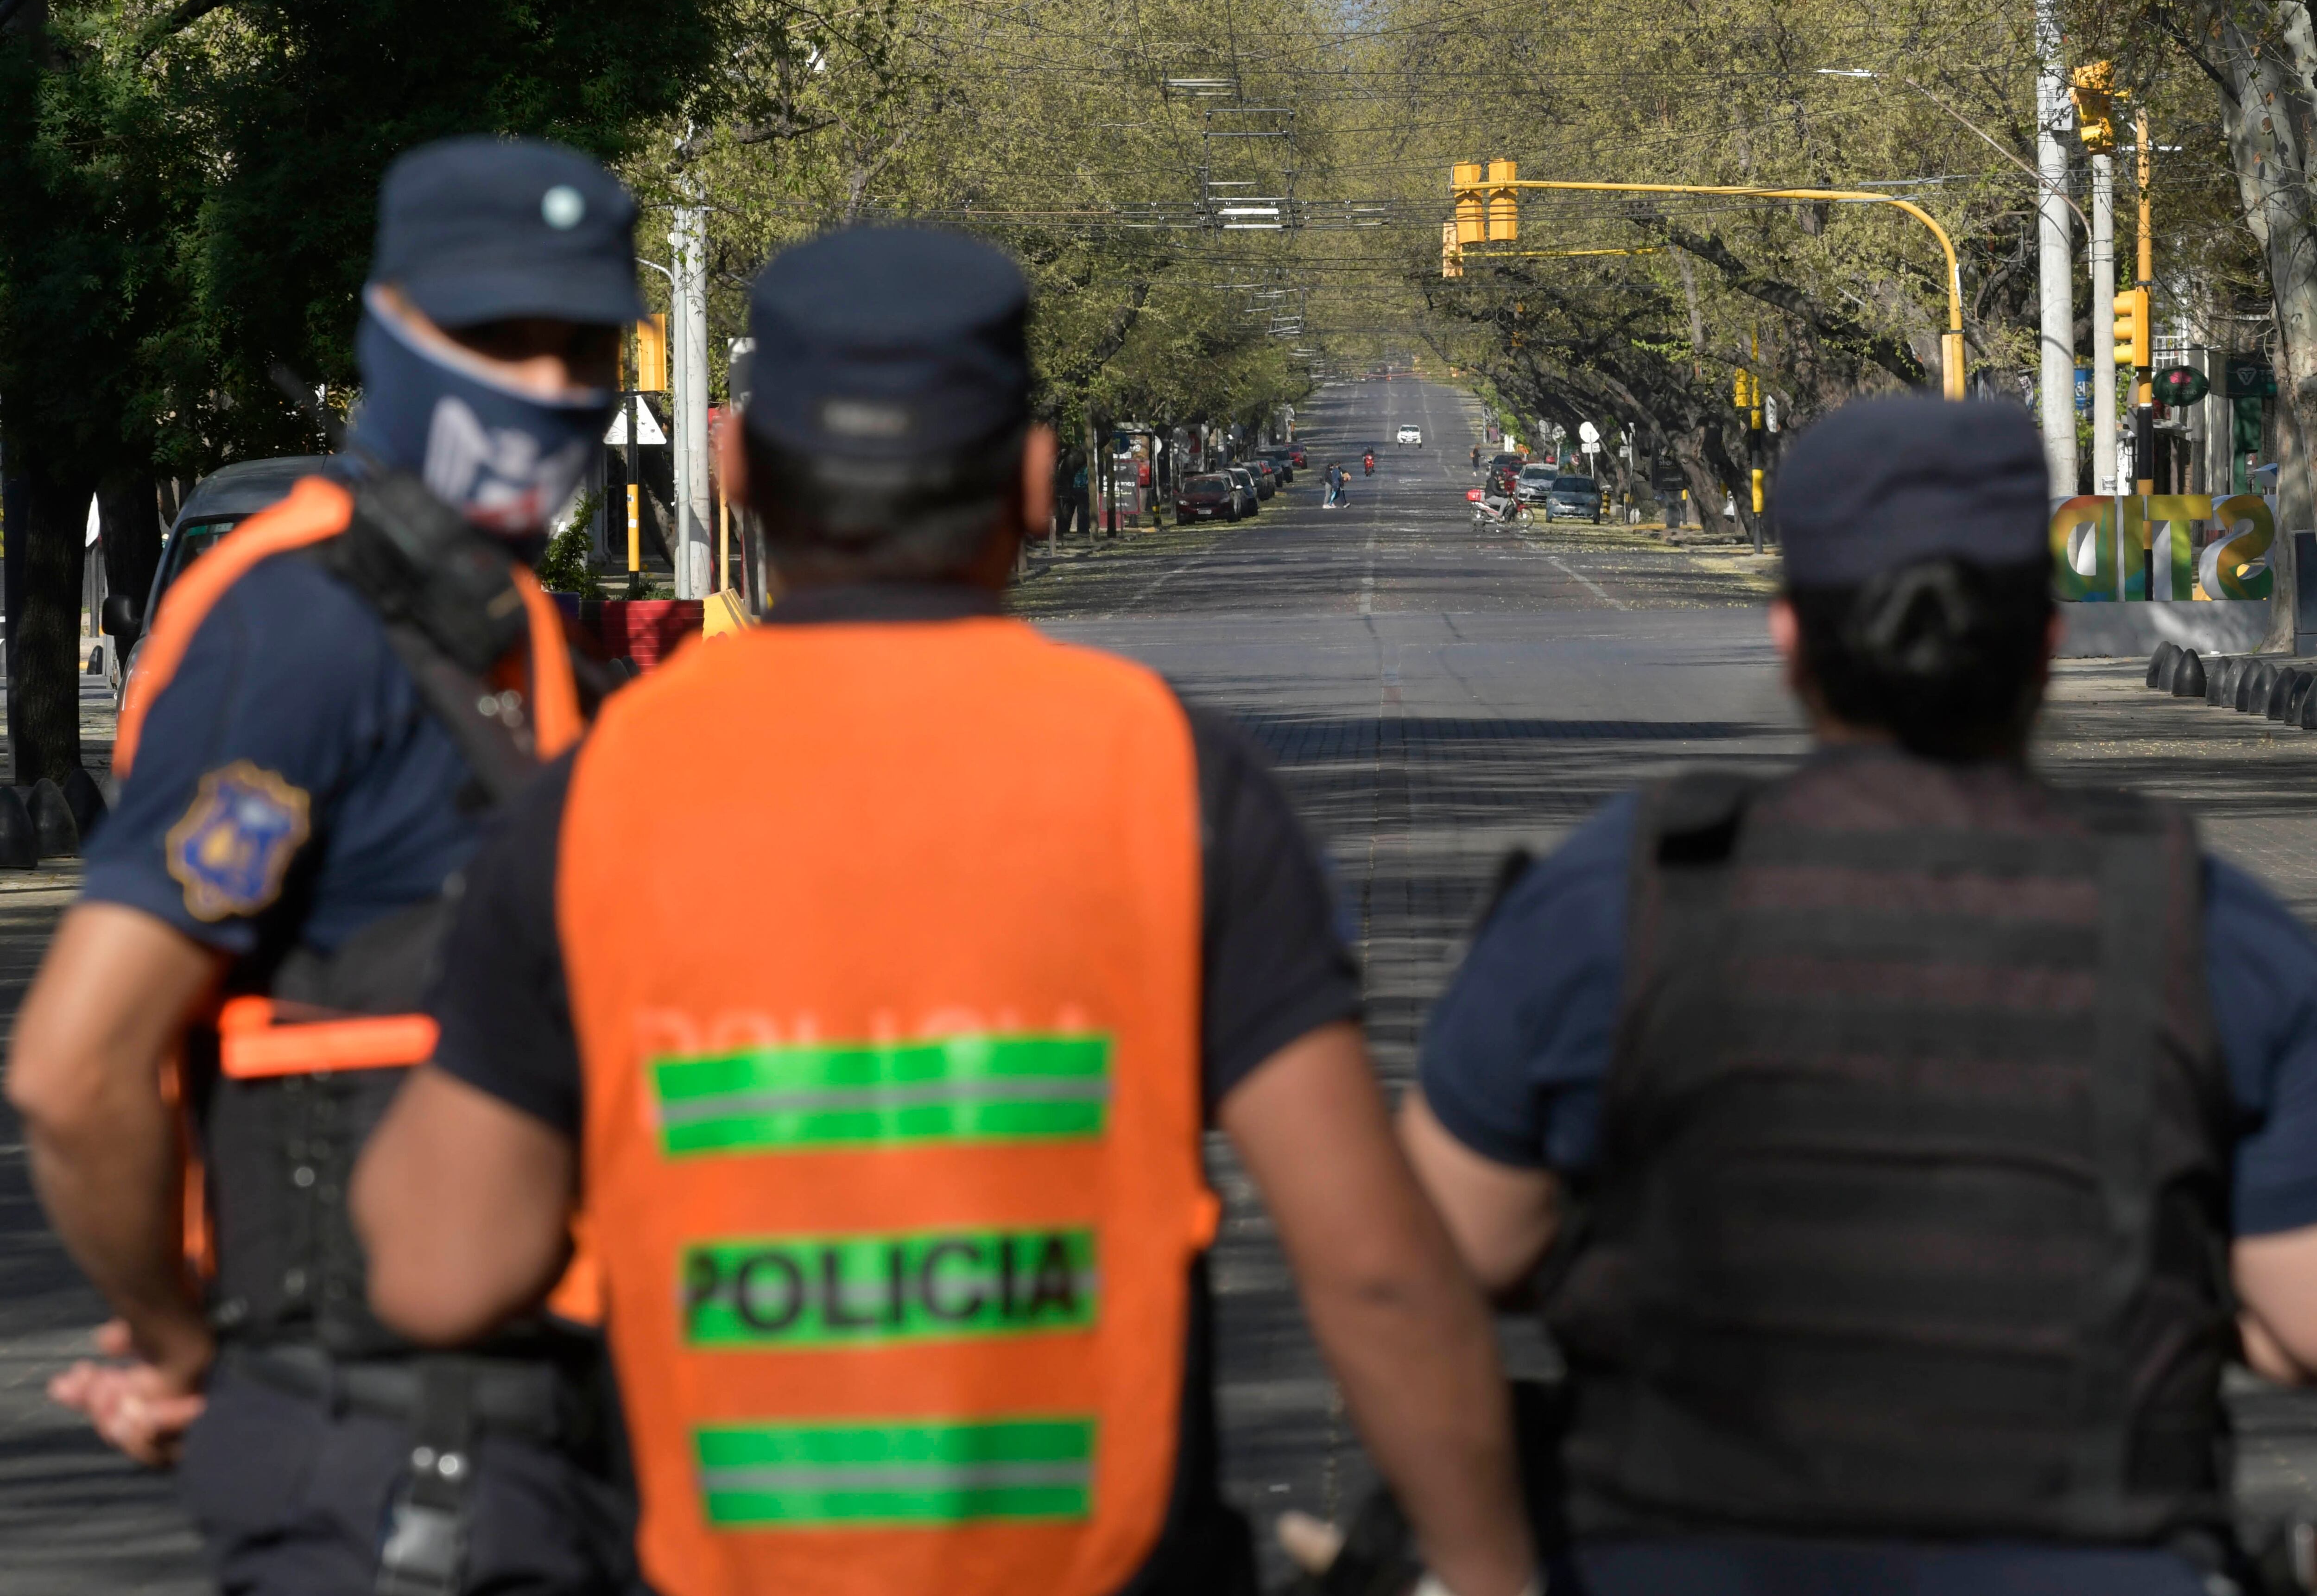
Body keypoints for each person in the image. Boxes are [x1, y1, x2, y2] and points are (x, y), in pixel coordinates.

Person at [350, 227, 1539, 1596]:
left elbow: (442, 1266)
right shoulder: (1169, 777)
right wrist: (1485, 1563)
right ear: (1036, 485)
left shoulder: (599, 792)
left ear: (734, 471)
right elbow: (1377, 1269)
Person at [1400, 395, 2317, 1595]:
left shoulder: (1614, 903)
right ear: (2047, 645)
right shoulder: (2205, 924)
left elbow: (1424, 1259)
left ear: (1791, 644)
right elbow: (2297, 1319)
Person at [8, 137, 645, 1596]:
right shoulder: (305, 627)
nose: (547, 387)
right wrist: (183, 1340)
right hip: (394, 1465)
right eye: (498, 339)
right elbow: (77, 1063)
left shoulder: (503, 630)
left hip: (532, 1438)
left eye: (583, 346)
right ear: (390, 324)